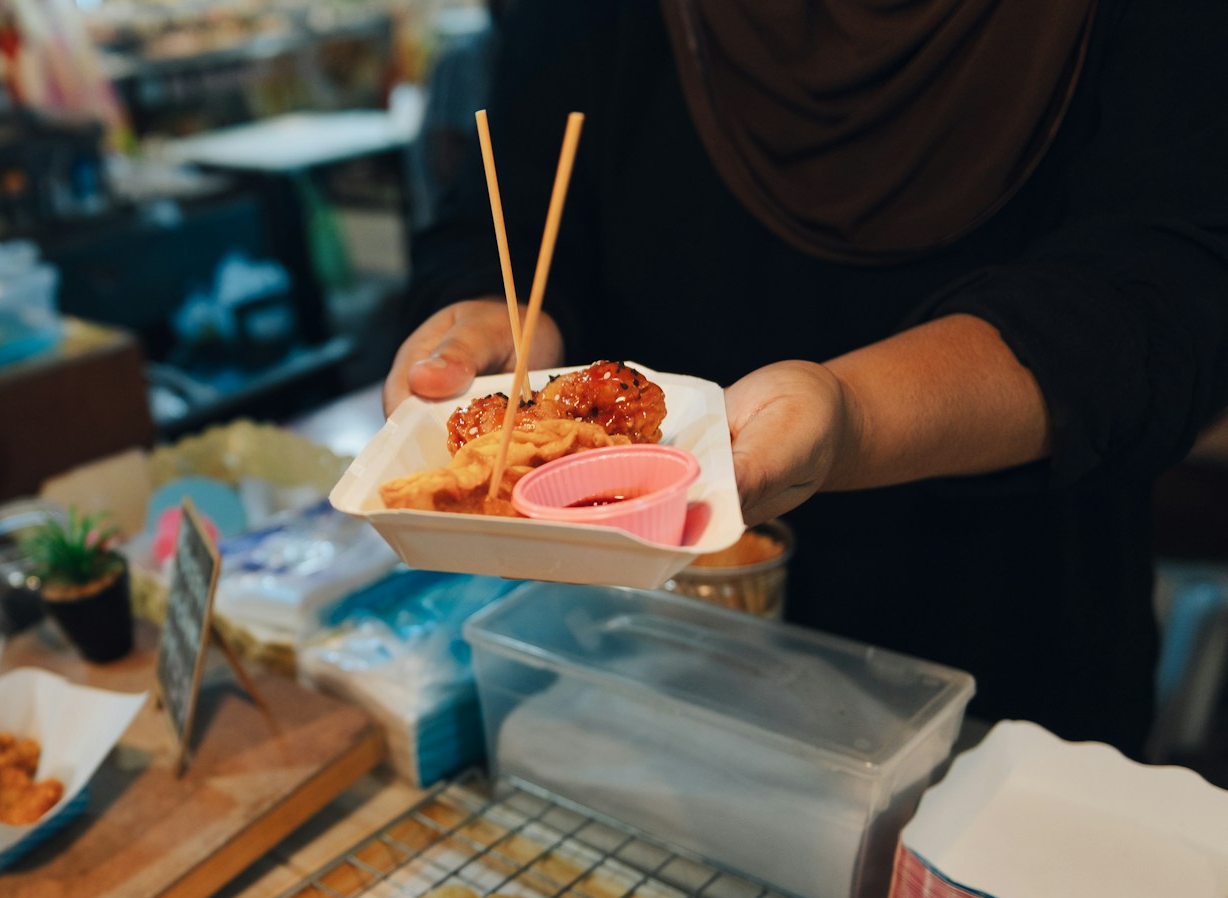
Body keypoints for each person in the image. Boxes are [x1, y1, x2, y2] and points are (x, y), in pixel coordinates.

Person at [389, 0, 1228, 753]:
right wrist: (490, 319)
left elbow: (1166, 294)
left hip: (1002, 644)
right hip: (630, 633)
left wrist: (851, 415)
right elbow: (501, 213)